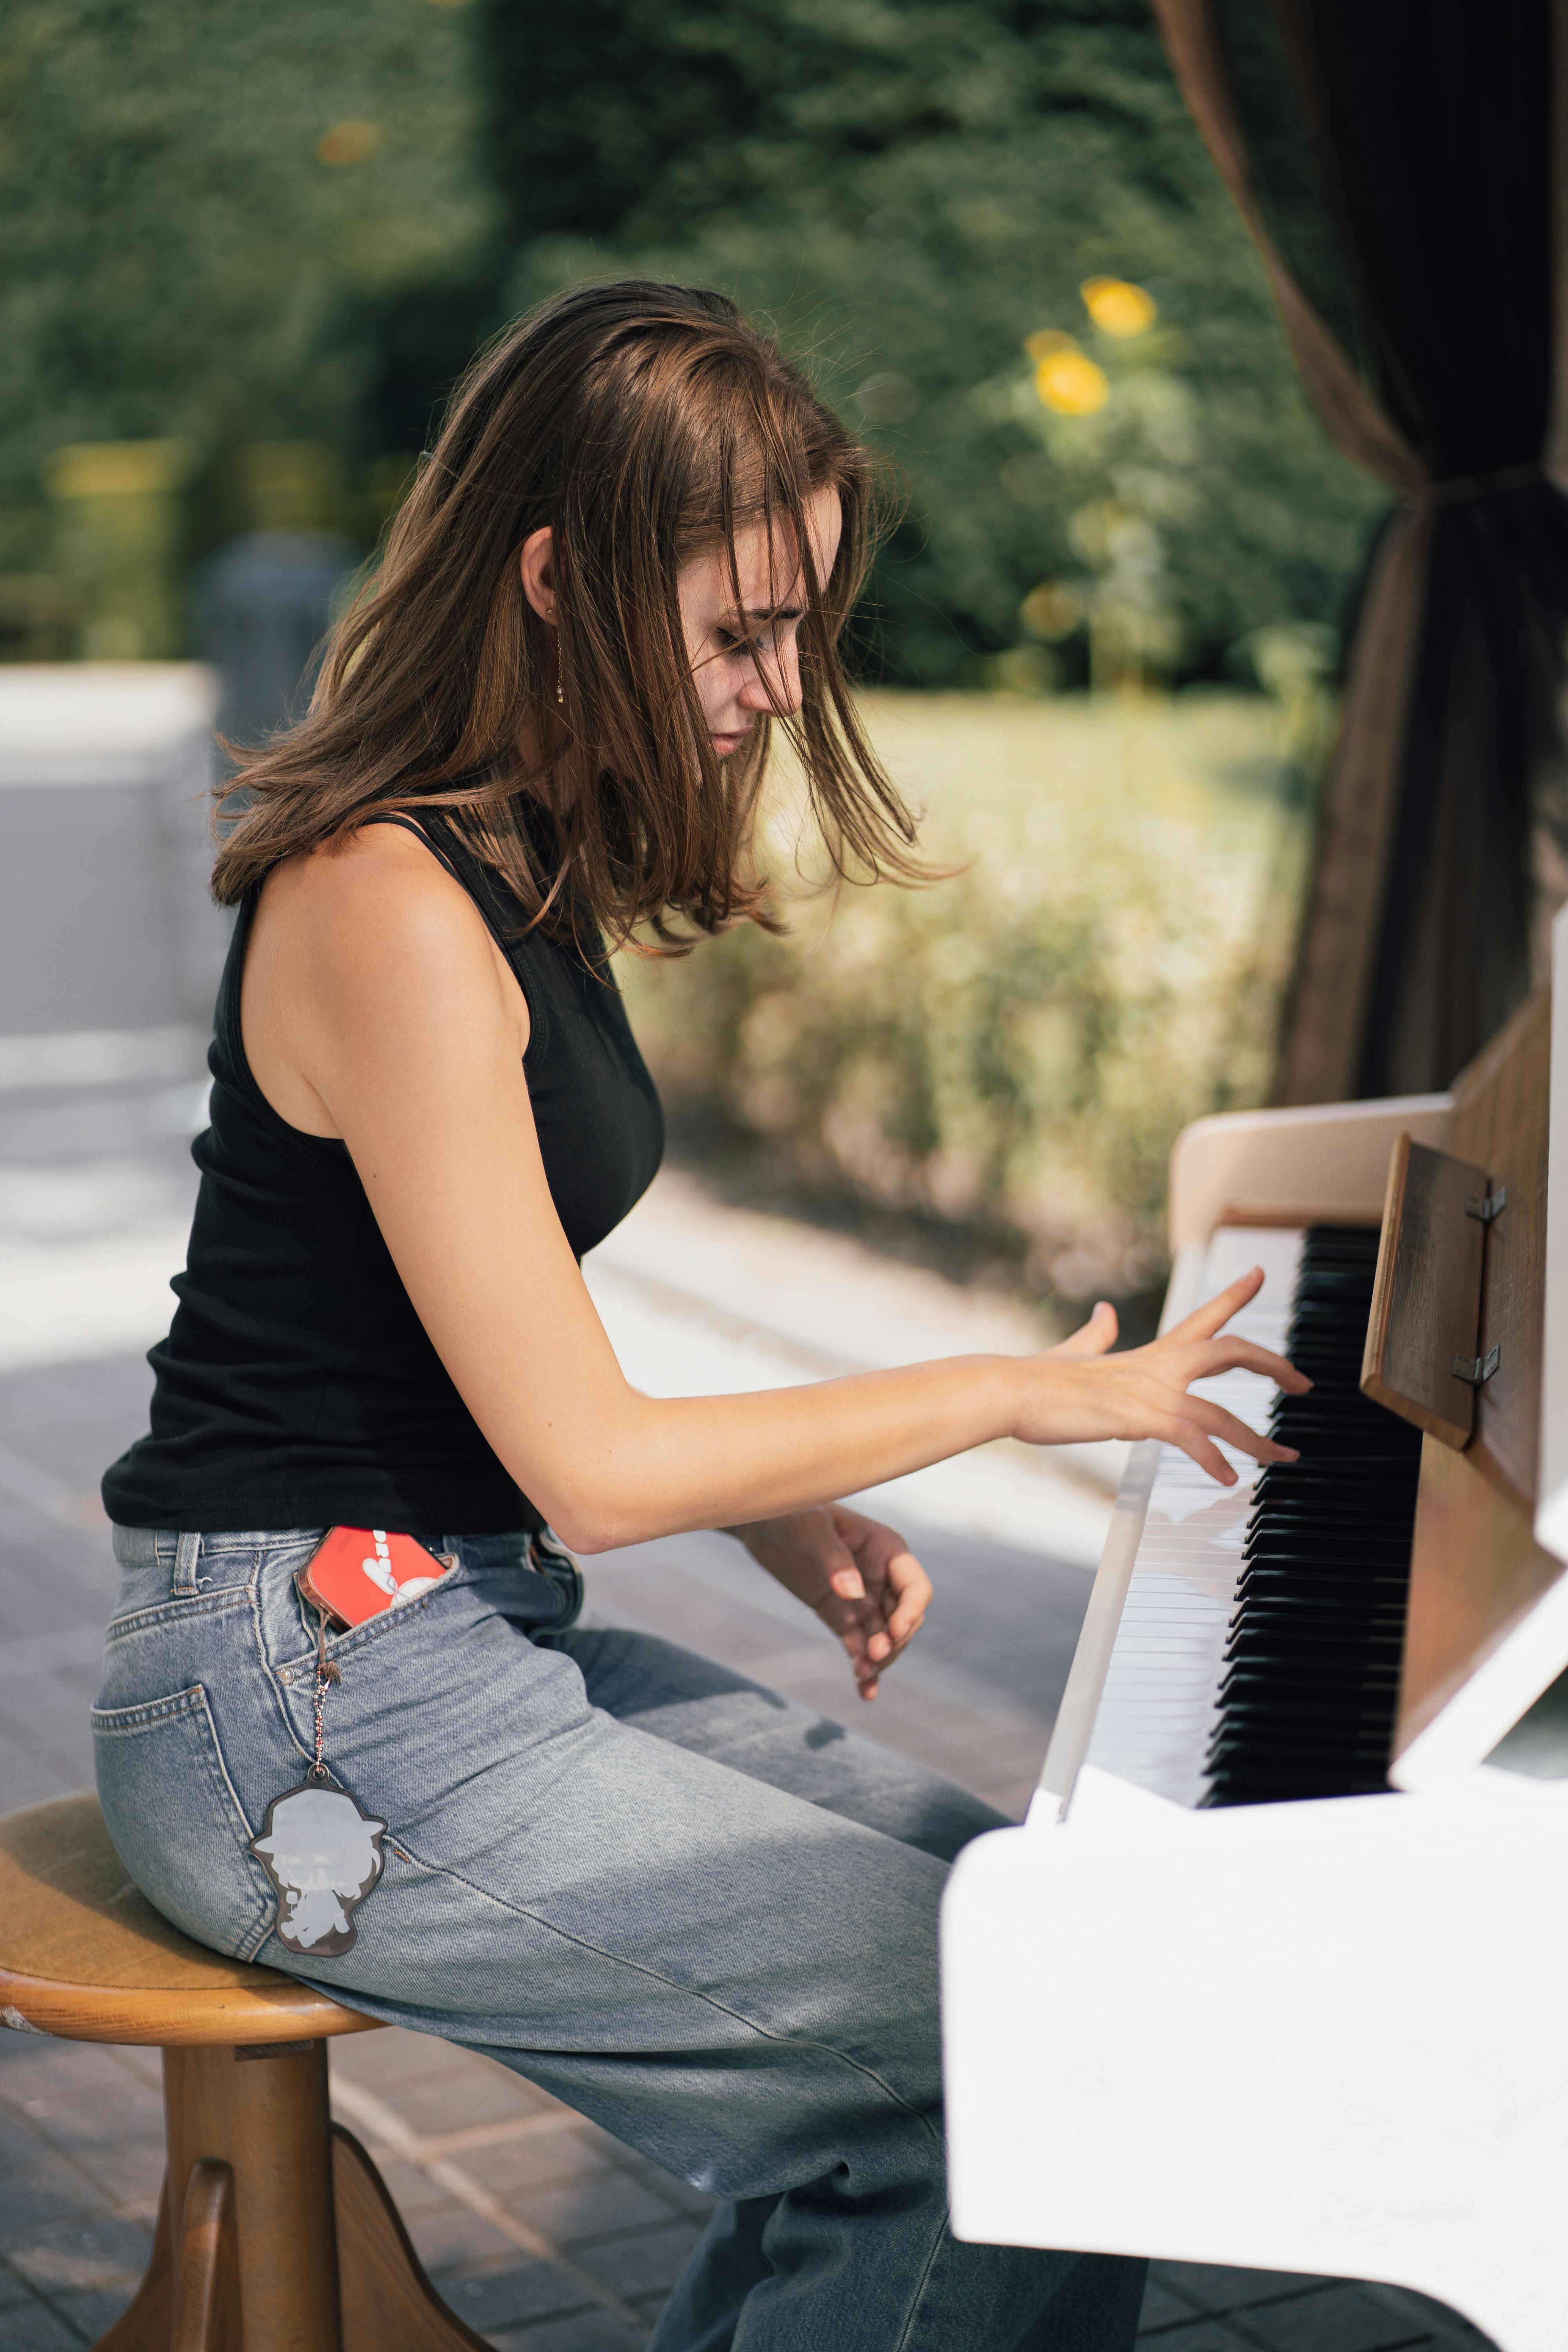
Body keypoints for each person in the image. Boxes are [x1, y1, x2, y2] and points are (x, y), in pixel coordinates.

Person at [96, 281, 1305, 2351]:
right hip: (293, 1706)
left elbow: (478, 1357)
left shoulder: (514, 860)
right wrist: (1017, 1390)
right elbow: (591, 1460)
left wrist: (765, 1506)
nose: (777, 689)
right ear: (559, 578)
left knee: (1054, 1964)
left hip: (437, 1634)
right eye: (744, 632)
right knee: (994, 2045)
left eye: (798, 638)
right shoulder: (386, 901)